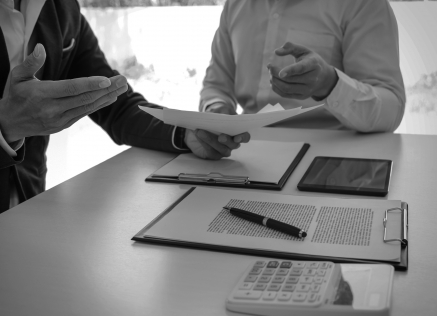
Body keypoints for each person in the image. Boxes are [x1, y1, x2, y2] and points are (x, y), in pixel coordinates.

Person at [0, 0, 250, 213]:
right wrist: (6, 125)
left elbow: (116, 106)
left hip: (29, 209)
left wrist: (186, 132)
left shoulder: (62, 8)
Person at [200, 0, 406, 133]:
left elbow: (391, 109)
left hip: (333, 162)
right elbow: (216, 86)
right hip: (244, 155)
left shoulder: (363, 4)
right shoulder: (235, 5)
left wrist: (331, 85)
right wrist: (217, 110)